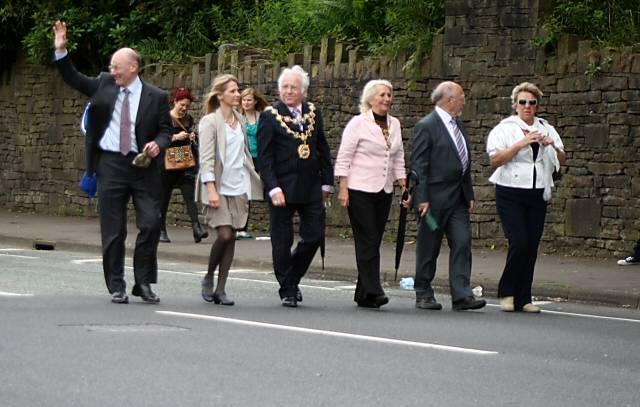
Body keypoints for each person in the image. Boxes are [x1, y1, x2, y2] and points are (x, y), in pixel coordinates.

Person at [53, 21, 171, 304]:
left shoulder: (157, 97)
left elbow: (166, 130)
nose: (113, 70)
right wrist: (61, 50)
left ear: (134, 68)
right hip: (110, 165)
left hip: (143, 167)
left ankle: (143, 283)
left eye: (117, 66)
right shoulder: (105, 84)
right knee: (114, 229)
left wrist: (159, 144)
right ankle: (116, 284)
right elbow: (74, 78)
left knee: (152, 223)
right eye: (111, 66)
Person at [257, 65, 333, 307]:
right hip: (281, 187)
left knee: (314, 236)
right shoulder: (270, 116)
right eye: (285, 87)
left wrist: (327, 183)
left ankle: (291, 277)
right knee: (282, 240)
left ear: (303, 90)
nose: (289, 91)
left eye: (294, 87)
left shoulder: (313, 112)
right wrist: (273, 187)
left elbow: (322, 149)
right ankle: (288, 289)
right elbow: (265, 157)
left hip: (310, 186)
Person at [486, 82, 566, 313]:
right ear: (515, 105)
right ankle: (506, 291)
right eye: (522, 102)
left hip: (538, 190)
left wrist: (553, 147)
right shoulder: (505, 128)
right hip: (510, 190)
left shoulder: (546, 128)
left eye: (532, 103)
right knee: (519, 242)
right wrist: (521, 143)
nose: (527, 106)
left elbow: (562, 160)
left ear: (537, 106)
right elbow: (495, 160)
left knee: (531, 245)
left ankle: (524, 297)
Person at [410, 81, 486, 311]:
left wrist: (469, 193)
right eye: (461, 97)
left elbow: (463, 162)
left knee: (462, 242)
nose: (464, 101)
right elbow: (419, 164)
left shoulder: (458, 125)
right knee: (429, 246)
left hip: (457, 200)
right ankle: (423, 291)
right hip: (432, 201)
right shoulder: (427, 126)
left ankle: (462, 294)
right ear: (449, 99)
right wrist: (421, 197)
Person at [334, 79, 409, 308]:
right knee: (366, 238)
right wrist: (343, 188)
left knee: (373, 240)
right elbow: (344, 156)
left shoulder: (394, 124)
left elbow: (398, 157)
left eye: (389, 95)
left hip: (383, 189)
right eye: (382, 95)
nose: (386, 99)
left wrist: (404, 186)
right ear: (370, 99)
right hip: (359, 189)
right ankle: (375, 289)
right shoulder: (358, 123)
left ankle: (363, 293)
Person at [195, 74, 263, 306]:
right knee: (224, 234)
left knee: (232, 236)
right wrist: (211, 188)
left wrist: (252, 177)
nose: (237, 94)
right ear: (220, 95)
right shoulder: (209, 122)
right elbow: (206, 159)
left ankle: (221, 289)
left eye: (237, 90)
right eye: (233, 91)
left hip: (238, 186)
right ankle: (208, 276)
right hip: (218, 187)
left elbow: (244, 153)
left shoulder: (240, 121)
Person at [158, 86, 208, 244]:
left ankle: (196, 229)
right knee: (163, 198)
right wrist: (175, 137)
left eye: (187, 106)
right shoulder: (164, 118)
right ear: (175, 101)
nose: (184, 108)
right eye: (182, 105)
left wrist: (191, 136)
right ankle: (161, 231)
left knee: (189, 195)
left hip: (184, 162)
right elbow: (158, 139)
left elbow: (189, 136)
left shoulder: (189, 119)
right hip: (166, 163)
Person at [236, 87, 268, 239]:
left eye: (249, 100)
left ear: (255, 101)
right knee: (244, 192)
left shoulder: (261, 117)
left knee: (268, 187)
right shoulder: (236, 117)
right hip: (244, 159)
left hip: (261, 157)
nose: (246, 103)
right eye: (244, 100)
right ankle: (241, 227)